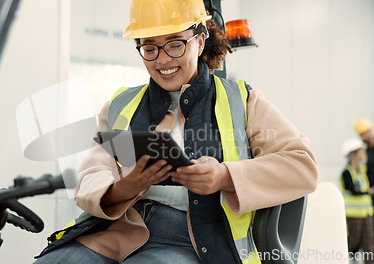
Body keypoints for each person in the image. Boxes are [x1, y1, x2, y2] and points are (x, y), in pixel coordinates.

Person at [33, 0, 318, 263]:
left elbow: (302, 166)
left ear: (200, 40)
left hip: (196, 239)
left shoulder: (242, 100)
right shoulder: (120, 105)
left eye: (175, 45)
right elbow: (91, 176)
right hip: (116, 229)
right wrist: (122, 188)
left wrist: (224, 176)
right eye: (149, 48)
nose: (162, 60)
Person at [340, 138, 374, 263]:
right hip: (354, 215)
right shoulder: (347, 173)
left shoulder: (361, 172)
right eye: (361, 151)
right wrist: (370, 191)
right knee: (353, 241)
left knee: (370, 243)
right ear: (354, 153)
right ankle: (346, 260)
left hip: (367, 213)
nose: (363, 154)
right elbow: (353, 190)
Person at [356, 118, 374, 191]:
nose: (363, 137)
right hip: (368, 190)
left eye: (364, 134)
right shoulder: (363, 150)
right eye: (361, 135)